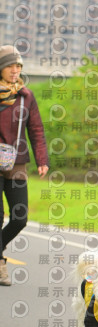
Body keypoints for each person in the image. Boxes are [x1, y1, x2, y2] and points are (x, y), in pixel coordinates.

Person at [0, 46, 49, 286]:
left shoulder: (26, 96)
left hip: (16, 163)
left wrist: (42, 159)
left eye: (18, 66)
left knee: (20, 218)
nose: (15, 70)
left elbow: (36, 129)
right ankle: (0, 264)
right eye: (10, 66)